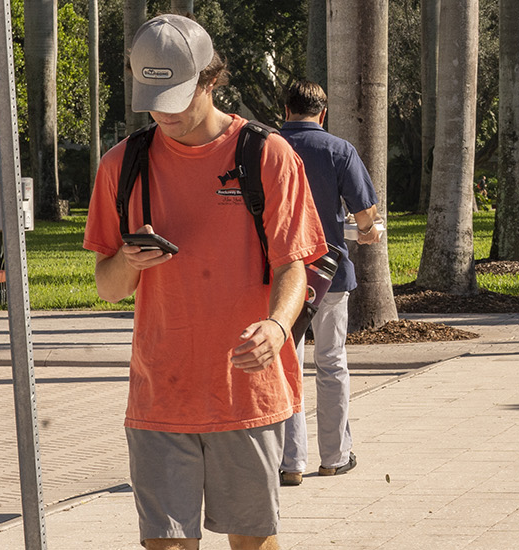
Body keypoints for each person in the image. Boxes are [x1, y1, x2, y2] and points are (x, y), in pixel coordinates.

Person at [82, 15, 326, 550]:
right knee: (164, 544)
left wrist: (278, 326)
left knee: (252, 541)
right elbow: (106, 286)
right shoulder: (122, 166)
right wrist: (129, 261)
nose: (163, 112)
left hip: (246, 393)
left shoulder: (267, 156)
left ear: (211, 81)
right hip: (158, 396)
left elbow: (294, 263)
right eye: (153, 97)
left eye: (175, 96)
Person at [276, 80, 383, 487]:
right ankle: (335, 457)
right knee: (331, 363)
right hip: (328, 275)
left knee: (287, 366)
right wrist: (369, 231)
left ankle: (291, 462)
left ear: (286, 110)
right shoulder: (340, 150)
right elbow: (366, 216)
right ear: (323, 113)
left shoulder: (267, 147)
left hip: (277, 275)